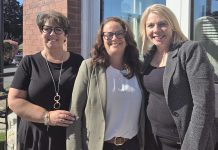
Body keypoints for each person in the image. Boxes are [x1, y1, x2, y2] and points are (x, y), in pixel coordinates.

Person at [139, 4, 216, 150]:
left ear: (172, 25)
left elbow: (204, 104)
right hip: (152, 139)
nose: (156, 30)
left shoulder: (190, 51)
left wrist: (192, 146)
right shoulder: (148, 56)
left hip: (180, 141)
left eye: (162, 24)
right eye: (150, 25)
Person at [66, 17, 145, 150]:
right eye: (108, 35)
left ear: (127, 37)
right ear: (102, 39)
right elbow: (75, 113)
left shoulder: (139, 68)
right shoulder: (89, 67)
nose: (114, 38)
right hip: (99, 146)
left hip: (133, 145)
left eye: (119, 33)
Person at [8, 11, 83, 150]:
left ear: (65, 35)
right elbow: (14, 100)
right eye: (47, 29)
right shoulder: (29, 62)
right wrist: (47, 116)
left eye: (58, 29)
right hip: (35, 137)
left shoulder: (79, 62)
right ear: (41, 33)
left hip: (68, 136)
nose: (52, 34)